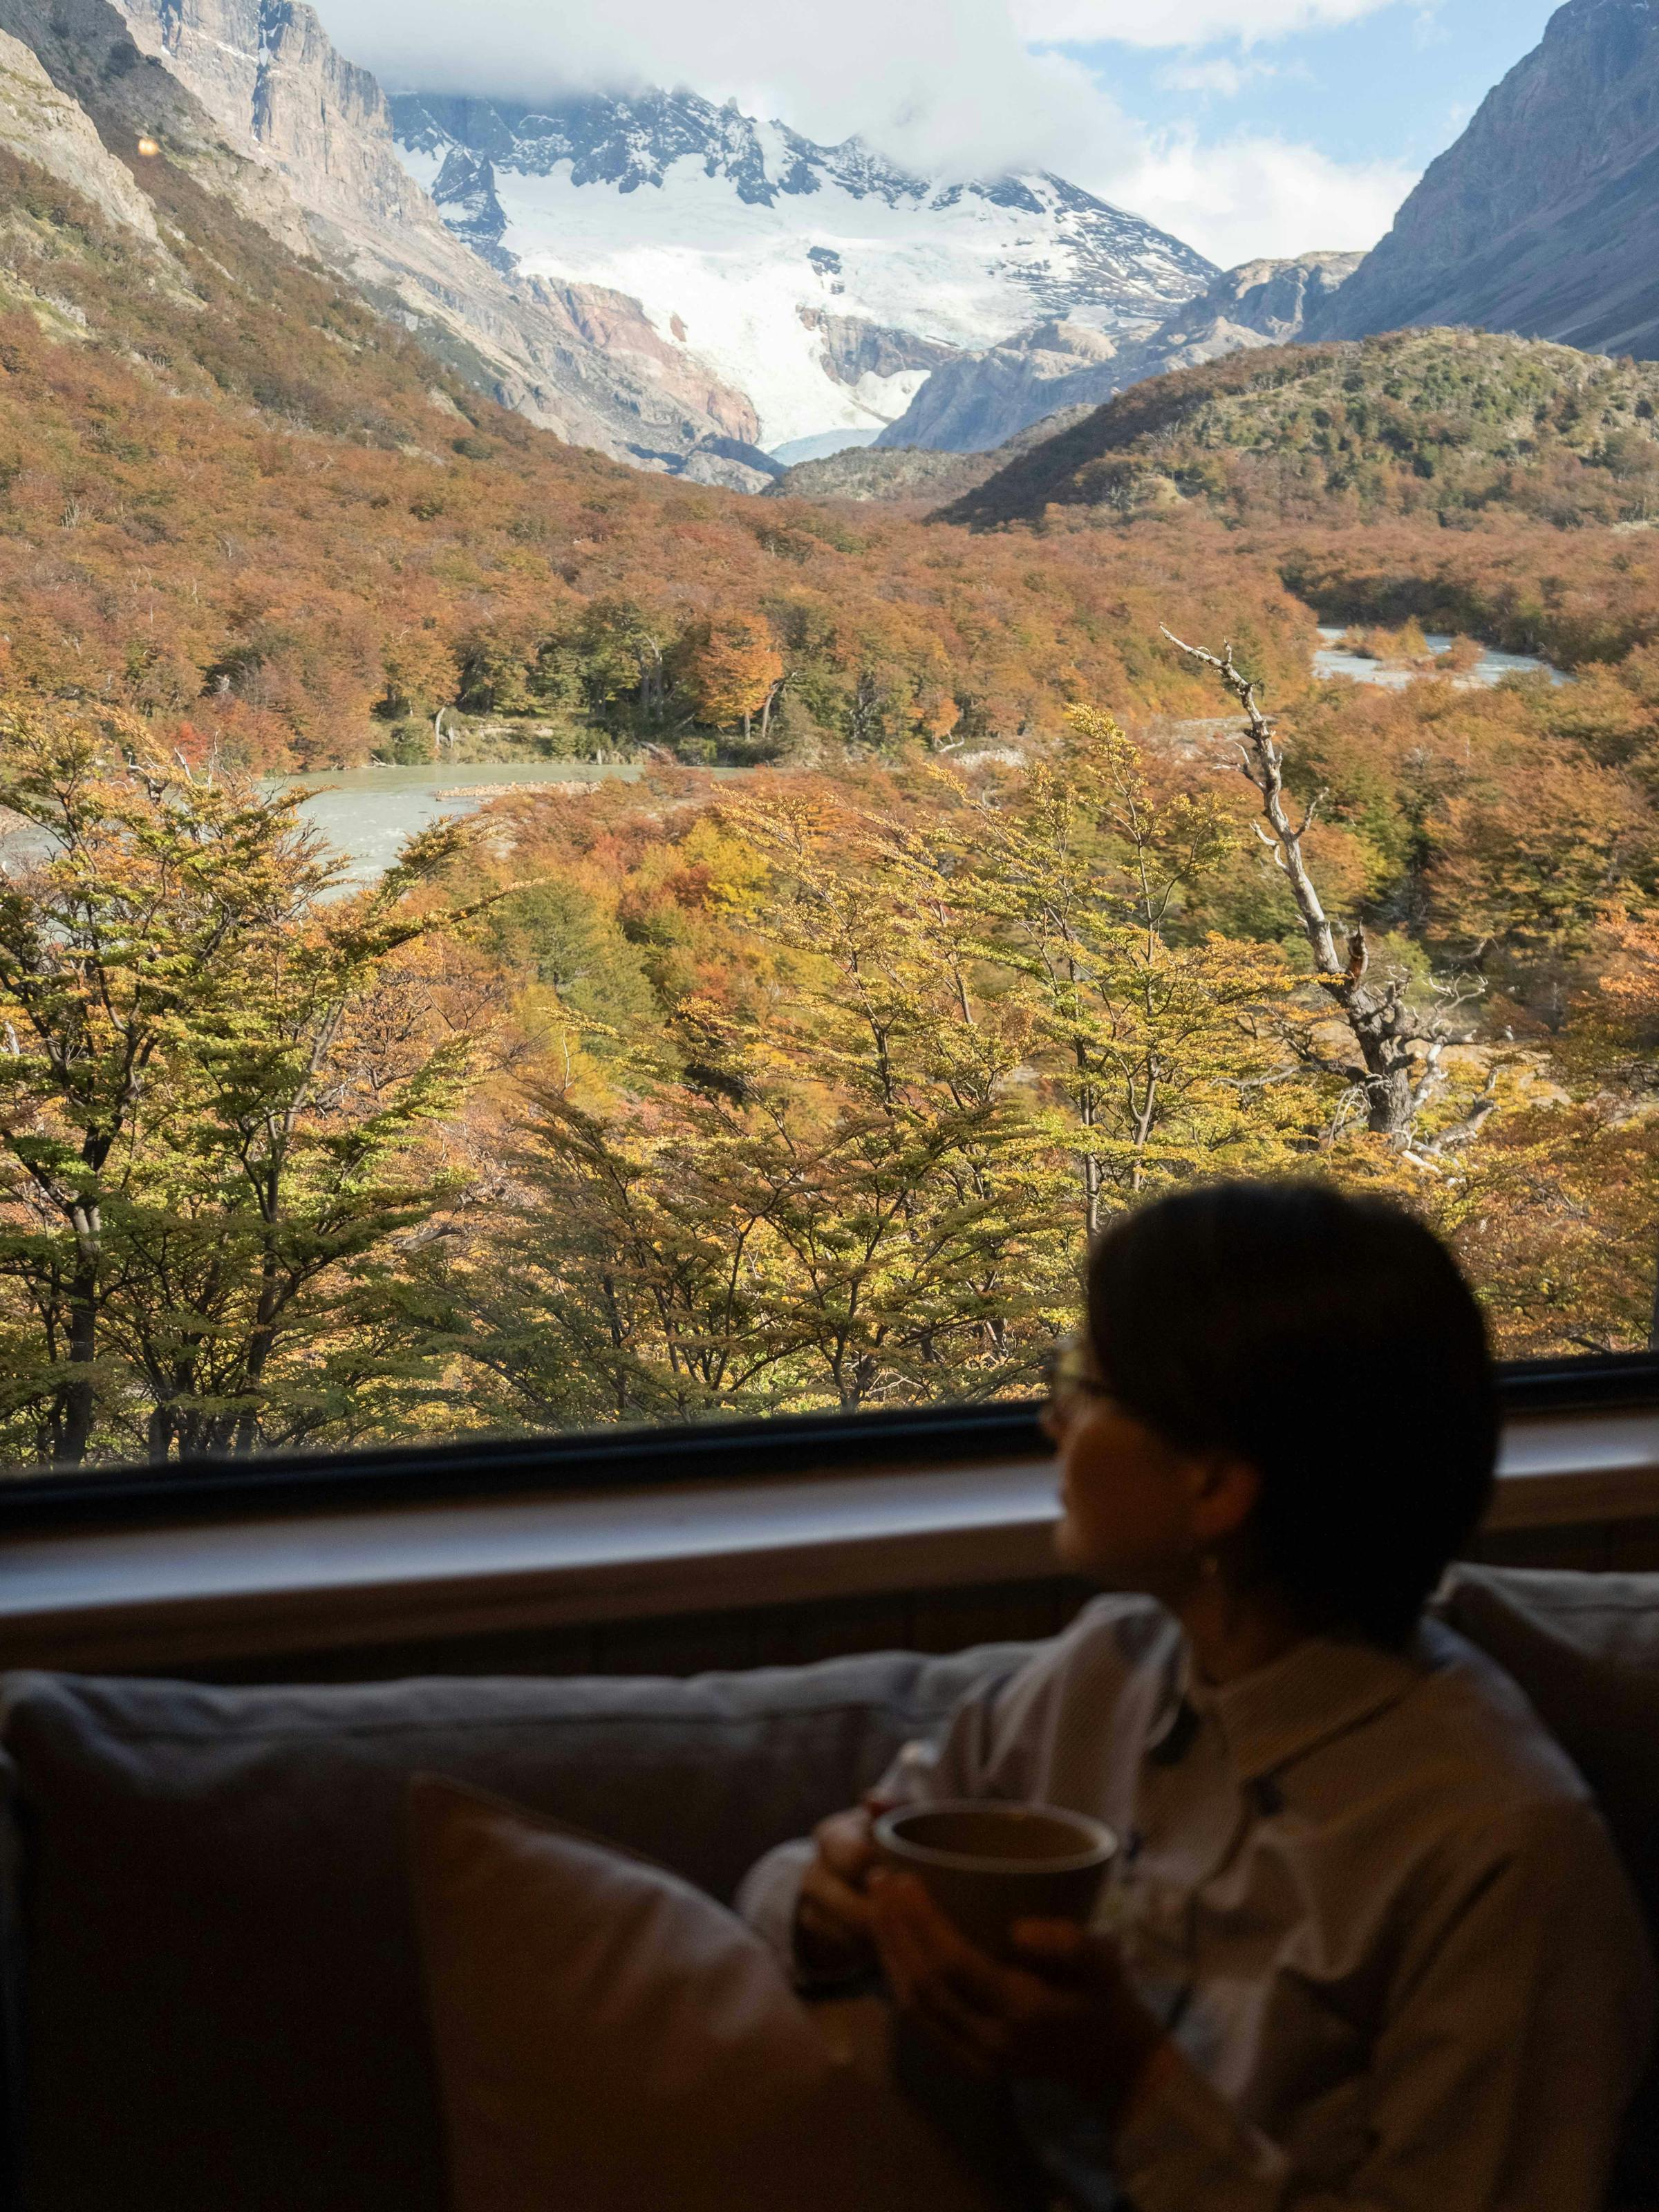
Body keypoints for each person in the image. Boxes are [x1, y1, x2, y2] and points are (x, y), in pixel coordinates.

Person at [738, 1181, 1654, 2211]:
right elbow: (804, 1871)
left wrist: (1132, 2083)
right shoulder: (1105, 1674)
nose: (1051, 1419)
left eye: (1085, 1385)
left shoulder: (1503, 1854)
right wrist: (825, 1909)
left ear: (1213, 1485)